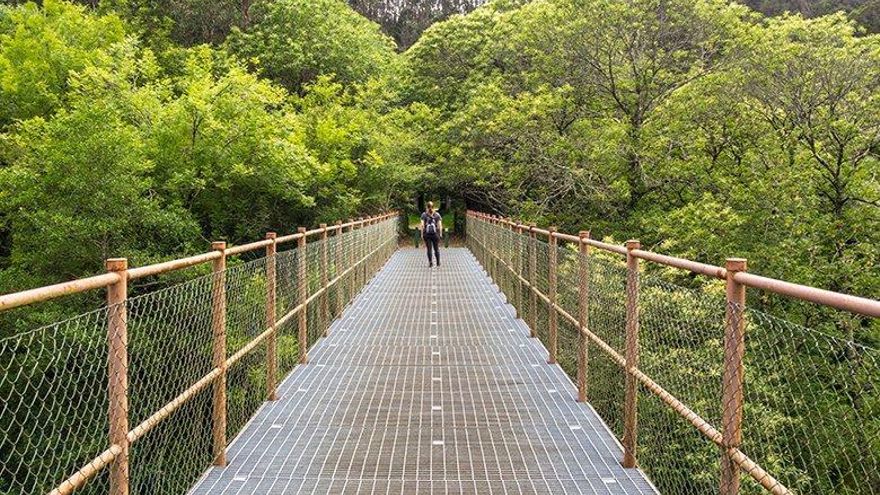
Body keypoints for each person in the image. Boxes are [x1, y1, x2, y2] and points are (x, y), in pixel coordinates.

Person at [420, 202, 443, 267]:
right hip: (435, 234)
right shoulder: (437, 214)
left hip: (427, 235)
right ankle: (438, 262)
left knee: (429, 249)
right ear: (433, 207)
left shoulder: (424, 215)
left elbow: (422, 225)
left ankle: (430, 263)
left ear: (426, 207)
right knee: (436, 249)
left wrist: (422, 234)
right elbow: (439, 226)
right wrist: (440, 234)